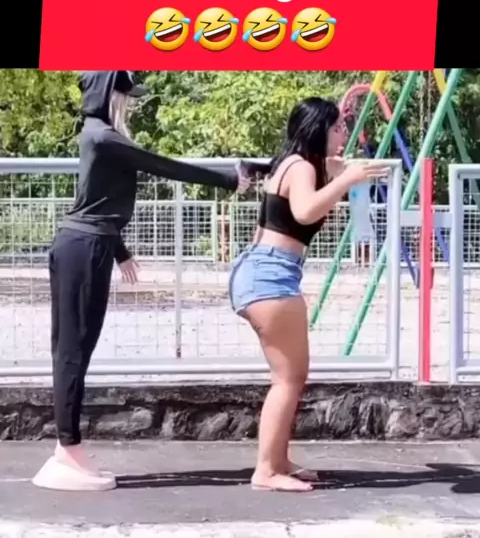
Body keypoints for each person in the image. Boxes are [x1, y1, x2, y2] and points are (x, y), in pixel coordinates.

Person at [32, 70, 249, 492]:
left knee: (74, 350)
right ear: (109, 96)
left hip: (87, 245)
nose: (131, 104)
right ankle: (67, 450)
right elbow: (161, 165)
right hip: (82, 249)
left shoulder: (100, 137)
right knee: (72, 352)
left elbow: (98, 199)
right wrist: (227, 180)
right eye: (127, 96)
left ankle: (67, 450)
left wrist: (121, 251)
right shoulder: (103, 137)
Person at [228, 97, 389, 492]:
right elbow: (304, 212)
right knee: (288, 379)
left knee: (289, 377)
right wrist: (346, 181)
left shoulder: (295, 163)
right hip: (271, 276)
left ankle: (278, 461)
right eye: (337, 127)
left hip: (263, 271)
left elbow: (328, 177)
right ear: (318, 130)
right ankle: (266, 471)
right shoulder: (300, 167)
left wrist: (344, 172)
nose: (344, 133)